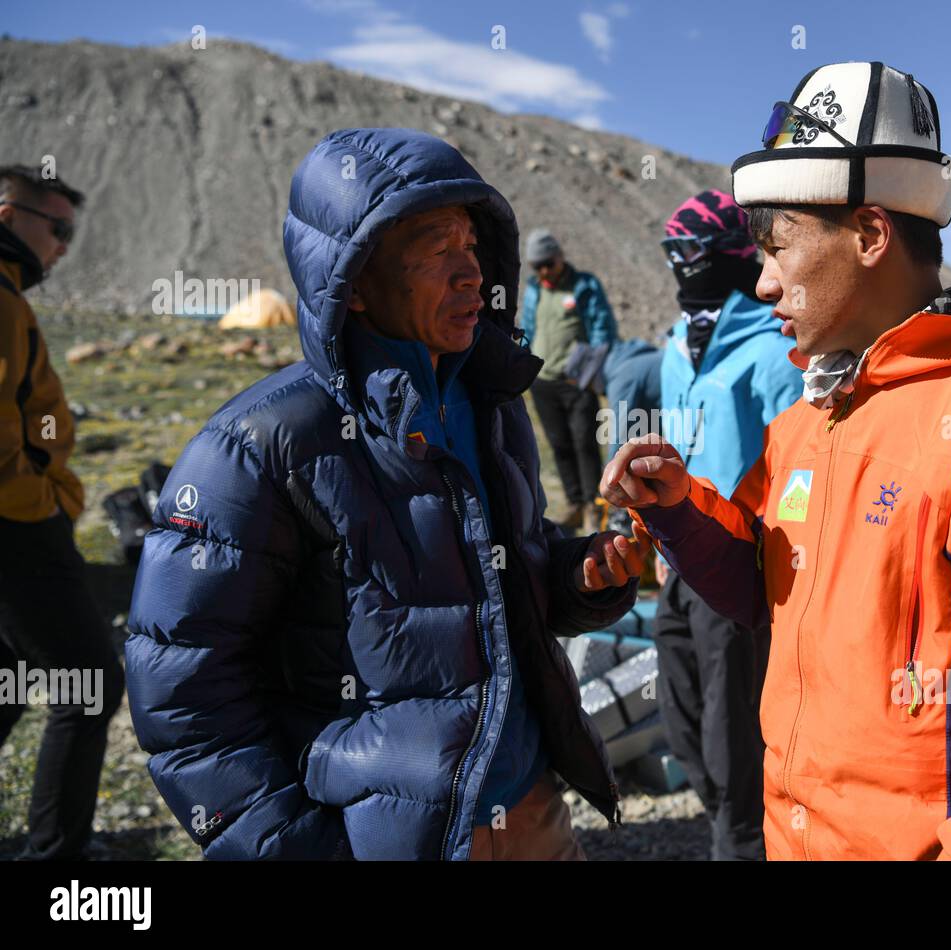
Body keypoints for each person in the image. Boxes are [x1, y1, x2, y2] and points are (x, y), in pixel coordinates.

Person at [601, 63, 951, 860]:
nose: (764, 284)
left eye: (778, 248)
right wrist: (674, 507)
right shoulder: (809, 420)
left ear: (871, 234)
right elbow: (766, 591)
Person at [125, 129, 647, 861]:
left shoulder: (491, 404)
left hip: (530, 807)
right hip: (388, 839)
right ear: (355, 282)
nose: (473, 275)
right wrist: (295, 849)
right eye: (437, 251)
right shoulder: (260, 446)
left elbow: (505, 586)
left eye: (473, 246)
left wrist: (579, 575)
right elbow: (185, 697)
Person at [651, 189, 803, 859]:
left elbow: (796, 461)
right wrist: (655, 533)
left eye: (691, 252)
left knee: (729, 719)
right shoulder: (673, 351)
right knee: (680, 708)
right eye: (671, 254)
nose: (681, 265)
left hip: (739, 558)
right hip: (678, 554)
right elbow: (673, 448)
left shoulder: (774, 349)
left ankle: (739, 839)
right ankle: (730, 819)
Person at [0, 164, 125, 860]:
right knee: (89, 683)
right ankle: (57, 858)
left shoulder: (10, 297)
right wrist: (44, 501)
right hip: (17, 529)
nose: (63, 248)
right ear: (6, 214)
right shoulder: (1, 300)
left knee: (12, 673)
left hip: (19, 517)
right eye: (57, 229)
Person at [519, 229, 618, 534]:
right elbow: (529, 328)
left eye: (549, 262)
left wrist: (589, 374)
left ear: (560, 256)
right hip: (543, 381)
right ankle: (574, 504)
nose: (545, 271)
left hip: (577, 383)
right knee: (559, 444)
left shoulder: (584, 286)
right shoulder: (535, 290)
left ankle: (593, 506)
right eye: (538, 266)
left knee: (584, 443)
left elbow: (603, 330)